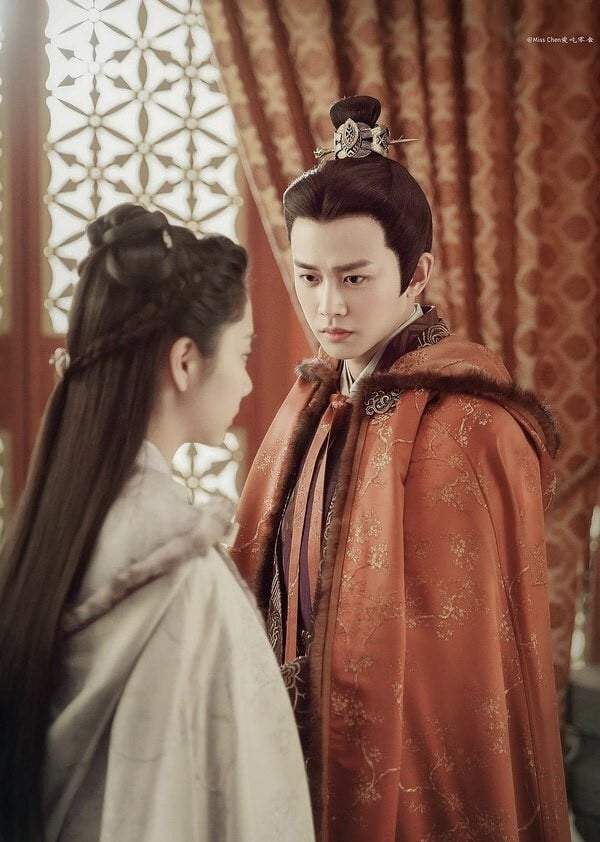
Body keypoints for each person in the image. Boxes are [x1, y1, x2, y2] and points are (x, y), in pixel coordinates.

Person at [231, 96, 571, 840]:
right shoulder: (313, 401)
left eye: (354, 278)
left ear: (417, 275)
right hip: (289, 749)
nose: (327, 306)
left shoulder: (472, 425)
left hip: (409, 773)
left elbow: (463, 671)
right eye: (310, 277)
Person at [0, 204, 314, 842]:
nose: (247, 382)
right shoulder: (178, 576)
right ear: (185, 362)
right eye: (243, 351)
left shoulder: (58, 532)